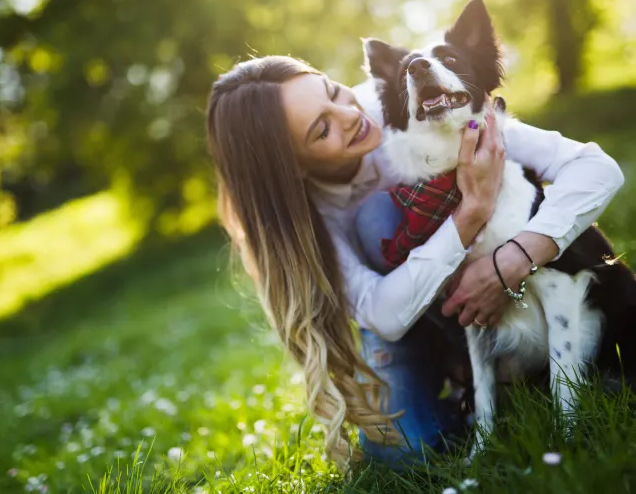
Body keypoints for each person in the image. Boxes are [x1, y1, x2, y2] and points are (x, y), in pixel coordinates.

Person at [205, 55, 624, 470]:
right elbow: (382, 314)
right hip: (408, 322)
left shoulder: (407, 99)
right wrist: (471, 212)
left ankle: (510, 375)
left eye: (333, 91)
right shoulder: (305, 217)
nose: (350, 115)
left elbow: (597, 169)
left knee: (377, 219)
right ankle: (467, 384)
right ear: (292, 169)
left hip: (502, 281)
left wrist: (514, 259)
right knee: (404, 451)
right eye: (323, 129)